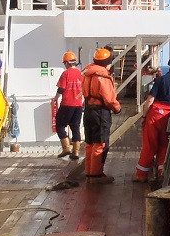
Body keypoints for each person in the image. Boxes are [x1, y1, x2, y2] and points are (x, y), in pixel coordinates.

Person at [134, 54, 170, 182]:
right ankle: (162, 173)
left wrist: (144, 116)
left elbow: (150, 100)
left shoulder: (160, 80)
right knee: (165, 145)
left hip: (155, 116)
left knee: (149, 145)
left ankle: (141, 175)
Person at [81, 47, 121, 183]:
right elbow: (109, 99)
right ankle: (96, 175)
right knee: (100, 143)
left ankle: (89, 173)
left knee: (90, 143)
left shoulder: (87, 74)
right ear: (107, 63)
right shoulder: (103, 76)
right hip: (100, 113)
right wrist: (117, 109)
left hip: (88, 111)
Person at [52, 51, 83, 160]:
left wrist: (56, 98)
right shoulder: (81, 74)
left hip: (67, 104)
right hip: (78, 105)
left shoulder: (66, 74)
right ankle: (76, 152)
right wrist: (78, 97)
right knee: (75, 127)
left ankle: (66, 148)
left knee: (60, 125)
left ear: (66, 63)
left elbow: (61, 89)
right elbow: (83, 89)